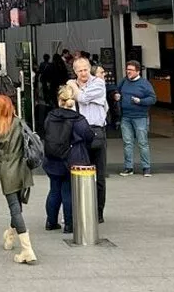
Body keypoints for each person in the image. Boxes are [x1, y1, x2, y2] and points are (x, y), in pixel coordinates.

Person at [0, 94, 37, 265]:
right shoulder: (19, 122)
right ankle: (10, 235)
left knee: (14, 209)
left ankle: (27, 249)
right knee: (17, 206)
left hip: (8, 173)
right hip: (24, 170)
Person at [42, 84, 94, 234]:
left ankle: (51, 221)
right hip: (72, 160)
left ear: (59, 99)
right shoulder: (78, 119)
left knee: (54, 190)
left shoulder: (50, 116)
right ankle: (69, 224)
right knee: (68, 192)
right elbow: (89, 136)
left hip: (52, 159)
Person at [68, 56, 108, 222]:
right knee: (79, 172)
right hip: (78, 132)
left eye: (85, 69)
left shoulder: (98, 83)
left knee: (99, 174)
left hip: (96, 131)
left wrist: (73, 87)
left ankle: (98, 212)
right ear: (75, 71)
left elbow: (82, 98)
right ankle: (80, 209)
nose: (83, 73)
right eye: (79, 70)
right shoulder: (73, 84)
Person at [114, 60, 156, 177]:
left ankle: (146, 167)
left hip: (140, 117)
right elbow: (116, 91)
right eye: (127, 69)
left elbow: (152, 98)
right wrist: (116, 95)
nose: (128, 72)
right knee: (127, 143)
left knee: (142, 143)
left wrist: (141, 101)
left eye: (131, 70)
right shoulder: (123, 81)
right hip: (126, 117)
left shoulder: (144, 84)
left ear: (138, 71)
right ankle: (128, 167)